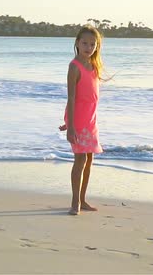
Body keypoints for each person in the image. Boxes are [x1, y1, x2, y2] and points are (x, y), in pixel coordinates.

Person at [59, 25, 106, 215]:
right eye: (85, 43)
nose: (88, 47)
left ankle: (83, 199)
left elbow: (90, 97)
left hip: (91, 120)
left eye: (92, 44)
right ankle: (74, 203)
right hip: (79, 121)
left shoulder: (94, 66)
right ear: (77, 43)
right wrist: (70, 125)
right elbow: (71, 98)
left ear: (97, 46)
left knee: (89, 158)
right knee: (79, 159)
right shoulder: (74, 67)